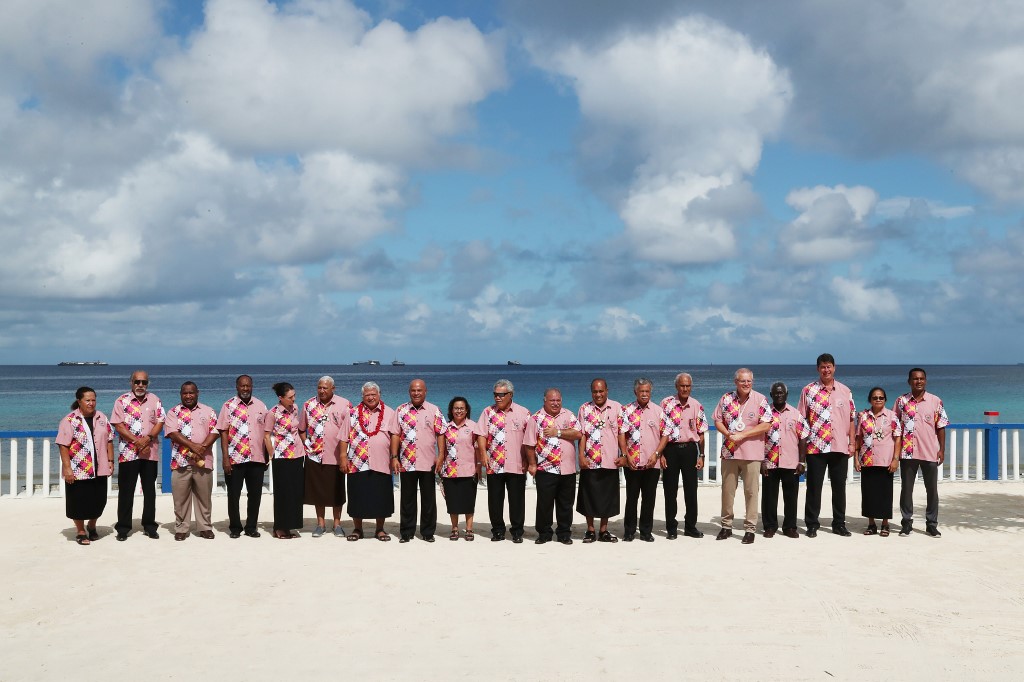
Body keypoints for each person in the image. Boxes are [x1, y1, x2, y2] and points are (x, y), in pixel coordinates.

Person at [799, 353, 856, 538]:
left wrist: (852, 443)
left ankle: (839, 523)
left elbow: (851, 419)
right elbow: (801, 420)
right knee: (814, 487)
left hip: (839, 446)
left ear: (834, 367)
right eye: (823, 367)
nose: (826, 370)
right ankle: (812, 524)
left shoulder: (845, 391)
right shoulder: (808, 390)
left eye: (829, 366)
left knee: (839, 487)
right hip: (815, 447)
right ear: (818, 369)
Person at [713, 368, 772, 544]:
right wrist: (729, 435)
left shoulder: (760, 399)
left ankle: (750, 529)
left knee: (751, 492)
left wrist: (743, 435)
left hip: (752, 453)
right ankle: (726, 526)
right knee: (727, 491)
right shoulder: (726, 398)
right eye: (742, 381)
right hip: (729, 452)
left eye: (749, 381)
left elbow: (766, 424)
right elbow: (717, 420)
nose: (746, 384)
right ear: (736, 382)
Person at [894, 368, 949, 537]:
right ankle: (906, 523)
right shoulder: (901, 401)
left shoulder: (935, 401)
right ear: (909, 381)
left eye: (921, 379)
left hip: (929, 452)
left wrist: (942, 450)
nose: (918, 381)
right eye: (915, 379)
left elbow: (941, 427)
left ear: (925, 381)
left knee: (932, 490)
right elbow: (895, 427)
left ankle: (931, 524)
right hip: (907, 452)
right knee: (906, 489)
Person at [111, 370, 165, 541]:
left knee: (150, 491)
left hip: (150, 453)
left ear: (148, 383)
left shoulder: (155, 400)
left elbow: (160, 422)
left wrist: (147, 439)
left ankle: (149, 526)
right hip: (128, 454)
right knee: (126, 491)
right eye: (137, 382)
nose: (140, 385)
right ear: (131, 382)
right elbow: (118, 426)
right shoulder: (121, 401)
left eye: (144, 382)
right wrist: (137, 442)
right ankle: (123, 527)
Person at [475, 379, 531, 543]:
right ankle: (498, 531)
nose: (497, 398)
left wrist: (529, 460)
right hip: (494, 464)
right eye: (495, 394)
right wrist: (483, 455)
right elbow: (481, 435)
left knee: (517, 501)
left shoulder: (523, 413)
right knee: (495, 500)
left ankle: (517, 531)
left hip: (517, 464)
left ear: (510, 395)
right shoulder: (487, 412)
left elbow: (530, 438)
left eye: (501, 394)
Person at [56, 387, 114, 545]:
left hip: (100, 467)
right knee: (78, 501)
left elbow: (109, 440)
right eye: (87, 400)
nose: (91, 403)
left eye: (93, 400)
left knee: (99, 500)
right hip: (78, 468)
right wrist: (67, 468)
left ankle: (92, 525)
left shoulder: (101, 417)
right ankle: (81, 531)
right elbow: (63, 445)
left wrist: (110, 461)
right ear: (79, 401)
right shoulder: (69, 420)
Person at [389, 379, 445, 543]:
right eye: (413, 390)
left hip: (428, 462)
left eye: (419, 390)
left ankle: (427, 532)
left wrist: (441, 455)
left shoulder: (434, 410)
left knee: (429, 499)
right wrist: (394, 457)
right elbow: (395, 435)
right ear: (409, 392)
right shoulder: (400, 410)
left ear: (425, 392)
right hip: (407, 462)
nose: (416, 393)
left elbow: (440, 433)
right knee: (407, 499)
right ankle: (406, 532)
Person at [164, 382, 220, 541]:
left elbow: (215, 431)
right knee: (180, 498)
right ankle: (182, 528)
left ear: (197, 393)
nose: (188, 396)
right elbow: (173, 433)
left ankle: (205, 527)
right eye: (185, 393)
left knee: (204, 497)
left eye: (191, 393)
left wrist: (202, 448)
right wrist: (194, 446)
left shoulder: (208, 411)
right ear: (180, 394)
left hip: (203, 461)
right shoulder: (173, 412)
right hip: (179, 461)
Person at [525, 388, 582, 545]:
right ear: (545, 400)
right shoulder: (536, 419)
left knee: (566, 503)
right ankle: (544, 533)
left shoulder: (568, 415)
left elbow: (578, 433)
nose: (555, 403)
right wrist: (531, 464)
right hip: (546, 468)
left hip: (568, 468)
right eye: (552, 400)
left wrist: (557, 432)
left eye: (558, 400)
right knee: (545, 503)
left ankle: (564, 533)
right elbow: (529, 444)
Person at [617, 378, 669, 542]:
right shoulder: (626, 410)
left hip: (651, 463)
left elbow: (665, 435)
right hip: (632, 463)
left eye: (647, 391)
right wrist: (626, 455)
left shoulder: (658, 411)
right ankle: (629, 531)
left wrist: (657, 454)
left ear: (650, 392)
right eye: (641, 391)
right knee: (631, 498)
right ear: (636, 392)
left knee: (649, 498)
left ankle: (646, 531)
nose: (644, 394)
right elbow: (621, 435)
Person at [217, 375, 269, 539]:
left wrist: (267, 456)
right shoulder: (228, 406)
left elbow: (266, 433)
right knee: (234, 495)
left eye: (248, 386)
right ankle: (235, 527)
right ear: (237, 387)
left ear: (252, 386)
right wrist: (225, 458)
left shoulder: (261, 405)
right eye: (242, 386)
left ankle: (251, 527)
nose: (245, 389)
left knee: (255, 495)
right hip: (235, 459)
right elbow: (223, 432)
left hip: (257, 458)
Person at [299, 376, 350, 538]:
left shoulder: (345, 404)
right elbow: (301, 428)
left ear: (333, 389)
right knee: (318, 492)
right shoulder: (308, 405)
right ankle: (320, 524)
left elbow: (351, 430)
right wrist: (306, 443)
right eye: (319, 387)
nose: (321, 390)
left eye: (325, 388)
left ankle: (337, 524)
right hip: (314, 456)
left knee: (337, 492)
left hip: (336, 456)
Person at [659, 373, 708, 539]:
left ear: (691, 387)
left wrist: (701, 455)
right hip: (670, 450)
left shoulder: (697, 406)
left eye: (688, 386)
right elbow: (660, 432)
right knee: (670, 490)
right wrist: (661, 455)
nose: (685, 388)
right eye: (682, 386)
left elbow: (701, 433)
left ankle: (690, 526)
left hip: (689, 450)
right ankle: (671, 527)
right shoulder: (666, 404)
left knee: (691, 490)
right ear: (676, 387)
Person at [346, 382, 395, 541]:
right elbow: (343, 438)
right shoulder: (352, 413)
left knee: (381, 498)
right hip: (357, 462)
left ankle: (379, 529)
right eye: (367, 394)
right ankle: (357, 529)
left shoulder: (390, 413)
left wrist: (395, 457)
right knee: (357, 497)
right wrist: (342, 458)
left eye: (374, 394)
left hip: (382, 463)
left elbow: (395, 436)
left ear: (379, 394)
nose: (371, 397)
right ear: (362, 396)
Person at [577, 379, 623, 543]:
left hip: (610, 459)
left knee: (607, 497)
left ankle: (603, 530)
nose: (598, 394)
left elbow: (621, 433)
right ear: (592, 393)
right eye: (595, 392)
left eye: (601, 391)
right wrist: (580, 456)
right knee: (588, 495)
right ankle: (590, 530)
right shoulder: (584, 408)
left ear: (607, 390)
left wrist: (624, 454)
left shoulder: (617, 408)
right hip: (590, 459)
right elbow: (582, 434)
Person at [761, 382, 810, 539]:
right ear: (771, 395)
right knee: (769, 497)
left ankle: (789, 527)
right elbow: (759, 438)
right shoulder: (764, 414)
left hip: (791, 462)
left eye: (781, 393)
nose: (779, 395)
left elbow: (803, 437)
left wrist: (802, 462)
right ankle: (770, 526)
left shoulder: (796, 414)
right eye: (776, 393)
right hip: (770, 462)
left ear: (787, 395)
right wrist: (761, 461)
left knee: (791, 497)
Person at [855, 387, 901, 537]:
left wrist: (895, 459)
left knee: (885, 493)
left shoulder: (892, 416)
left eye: (881, 397)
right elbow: (858, 438)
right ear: (870, 400)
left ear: (885, 400)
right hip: (867, 459)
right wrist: (856, 458)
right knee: (869, 493)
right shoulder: (863, 416)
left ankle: (885, 524)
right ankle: (871, 523)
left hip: (885, 459)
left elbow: (898, 438)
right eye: (875, 398)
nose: (878, 400)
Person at [436, 397, 483, 540]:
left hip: (469, 470)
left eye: (462, 408)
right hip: (450, 470)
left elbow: (478, 449)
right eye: (456, 408)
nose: (459, 411)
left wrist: (479, 466)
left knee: (469, 502)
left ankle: (469, 529)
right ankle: (454, 529)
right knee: (452, 502)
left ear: (466, 410)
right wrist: (439, 467)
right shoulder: (446, 428)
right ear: (451, 410)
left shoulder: (473, 426)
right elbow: (442, 451)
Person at [264, 382, 306, 539]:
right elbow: (266, 436)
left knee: (295, 492)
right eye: (290, 397)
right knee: (283, 493)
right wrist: (272, 454)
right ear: (280, 398)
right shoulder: (272, 413)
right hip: (282, 456)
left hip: (297, 454)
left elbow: (297, 429)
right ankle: (280, 527)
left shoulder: (295, 409)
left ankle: (291, 525)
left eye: (294, 396)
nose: (294, 399)